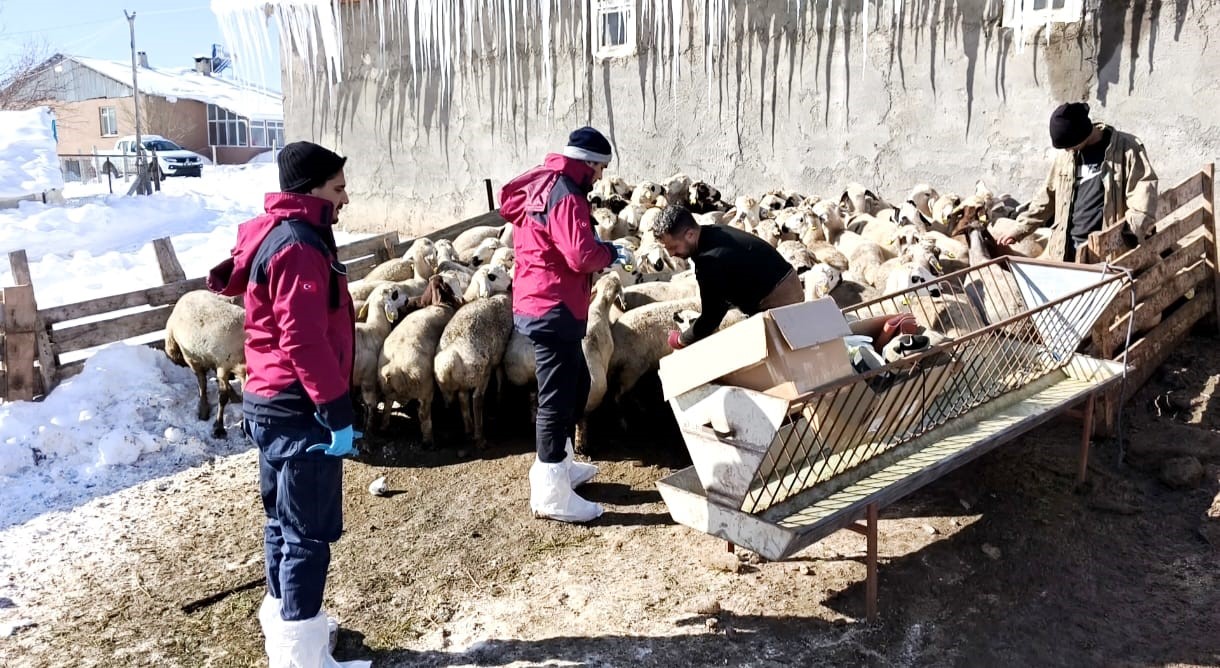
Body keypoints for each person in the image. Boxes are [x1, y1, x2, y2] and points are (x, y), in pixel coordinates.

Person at [208, 141, 367, 668]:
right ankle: (302, 654)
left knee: (282, 521)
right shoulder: (300, 245)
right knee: (307, 533)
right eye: (338, 187)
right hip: (299, 409)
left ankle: (288, 622)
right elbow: (302, 338)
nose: (345, 198)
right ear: (312, 189)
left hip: (270, 403)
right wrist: (336, 409)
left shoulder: (288, 235)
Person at [499, 126, 634, 524]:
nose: (602, 176)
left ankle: (561, 462)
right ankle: (550, 490)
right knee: (556, 399)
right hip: (551, 305)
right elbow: (579, 254)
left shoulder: (548, 184)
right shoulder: (566, 194)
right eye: (601, 167)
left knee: (575, 385)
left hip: (544, 299)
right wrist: (608, 251)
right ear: (588, 163)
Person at [997, 101, 1158, 262]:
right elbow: (1047, 198)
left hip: (1105, 254)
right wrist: (1019, 229)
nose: (1067, 150)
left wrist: (1129, 233)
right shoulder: (1066, 157)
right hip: (1066, 251)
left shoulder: (1125, 150)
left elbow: (1142, 197)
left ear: (1082, 133)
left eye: (1069, 145)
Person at [656, 205, 802, 349]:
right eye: (667, 249)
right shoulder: (715, 231)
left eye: (674, 247)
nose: (670, 254)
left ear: (690, 234)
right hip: (790, 283)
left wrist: (681, 340)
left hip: (779, 302)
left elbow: (711, 317)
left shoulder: (709, 261)